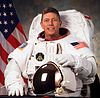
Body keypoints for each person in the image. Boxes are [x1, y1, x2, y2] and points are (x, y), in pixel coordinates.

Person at [4, 7, 97, 97]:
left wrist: (76, 61)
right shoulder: (30, 45)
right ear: (41, 25)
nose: (50, 23)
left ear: (60, 23)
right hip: (35, 95)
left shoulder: (75, 44)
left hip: (68, 95)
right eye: (46, 20)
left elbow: (92, 68)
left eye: (54, 20)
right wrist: (14, 82)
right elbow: (14, 62)